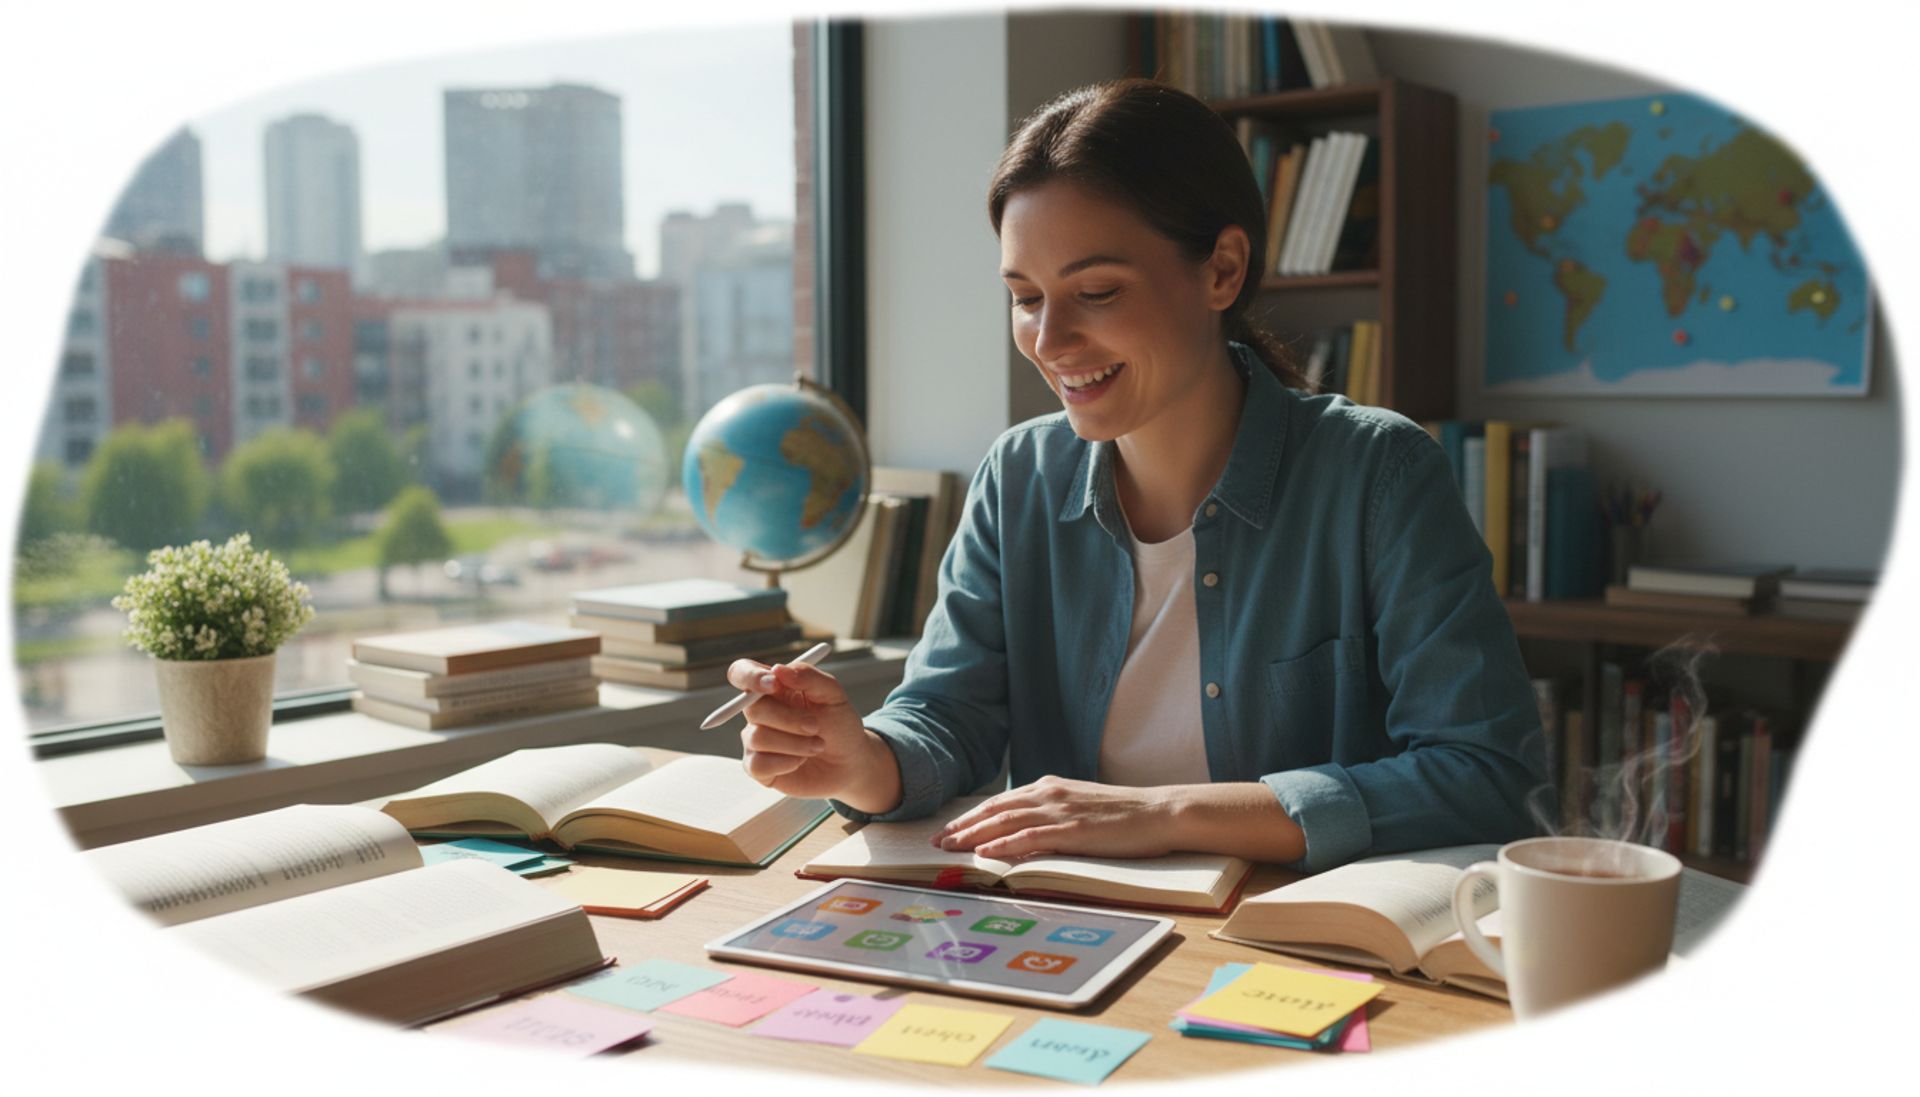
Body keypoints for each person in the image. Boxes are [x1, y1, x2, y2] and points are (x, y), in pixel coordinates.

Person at [727, 78, 1551, 874]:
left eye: (1095, 290)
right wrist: (858, 760)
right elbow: (947, 717)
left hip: (1293, 947)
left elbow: (1485, 775)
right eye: (1025, 297)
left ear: (1222, 270)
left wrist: (1164, 814)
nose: (1050, 339)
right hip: (1076, 930)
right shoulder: (1018, 475)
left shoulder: (1379, 473)